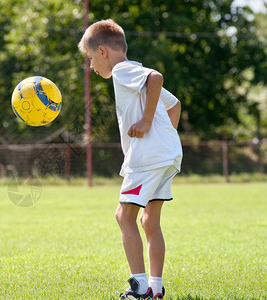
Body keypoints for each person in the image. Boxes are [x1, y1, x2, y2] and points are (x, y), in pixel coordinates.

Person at [78, 19, 183, 299]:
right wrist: (163, 138)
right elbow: (174, 105)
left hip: (147, 158)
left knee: (124, 216)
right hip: (167, 155)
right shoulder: (132, 71)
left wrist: (147, 123)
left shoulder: (122, 70)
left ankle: (139, 289)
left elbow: (156, 78)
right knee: (149, 221)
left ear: (103, 51)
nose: (91, 66)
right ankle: (156, 288)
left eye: (90, 58)